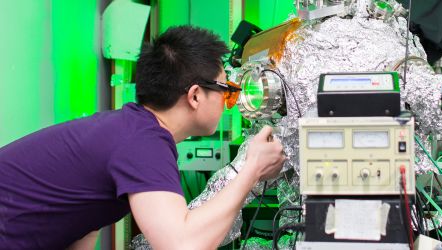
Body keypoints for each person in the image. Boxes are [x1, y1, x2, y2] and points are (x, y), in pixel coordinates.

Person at [0, 26, 286, 249]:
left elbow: (83, 221)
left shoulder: (129, 128)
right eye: (227, 90)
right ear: (195, 95)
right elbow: (183, 245)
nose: (230, 101)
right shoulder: (144, 142)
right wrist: (252, 170)